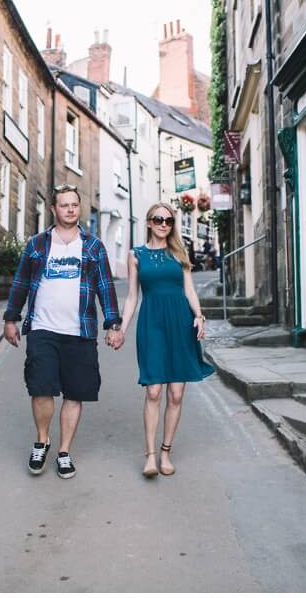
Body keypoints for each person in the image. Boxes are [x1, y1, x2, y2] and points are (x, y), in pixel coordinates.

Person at [3, 185, 124, 479]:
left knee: (74, 392)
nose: (70, 209)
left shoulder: (93, 246)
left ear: (78, 208)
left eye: (74, 205)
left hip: (80, 331)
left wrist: (113, 324)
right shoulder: (37, 244)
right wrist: (11, 318)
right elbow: (20, 282)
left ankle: (64, 451)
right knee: (41, 387)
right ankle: (42, 440)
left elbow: (105, 287)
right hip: (43, 327)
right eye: (64, 205)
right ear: (54, 209)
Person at [118, 202, 214, 477]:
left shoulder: (179, 253)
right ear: (148, 222)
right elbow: (133, 297)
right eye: (158, 219)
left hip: (180, 323)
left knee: (176, 393)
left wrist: (199, 315)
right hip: (152, 324)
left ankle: (165, 453)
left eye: (169, 221)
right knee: (154, 390)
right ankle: (149, 456)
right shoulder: (135, 255)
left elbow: (190, 291)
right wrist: (123, 329)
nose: (163, 224)